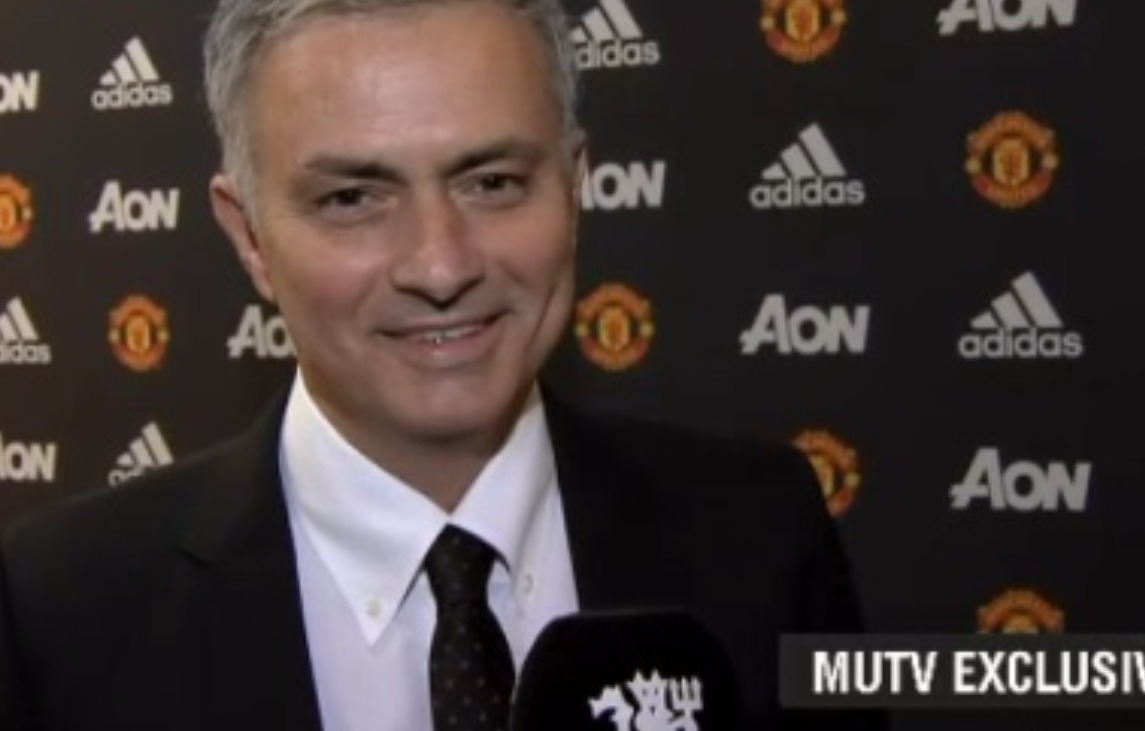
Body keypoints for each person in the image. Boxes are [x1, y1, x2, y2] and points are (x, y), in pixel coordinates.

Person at [0, 1, 884, 729]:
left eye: (492, 181)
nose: (441, 264)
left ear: (575, 187)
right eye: (353, 197)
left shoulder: (765, 536)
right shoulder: (59, 612)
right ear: (250, 237)